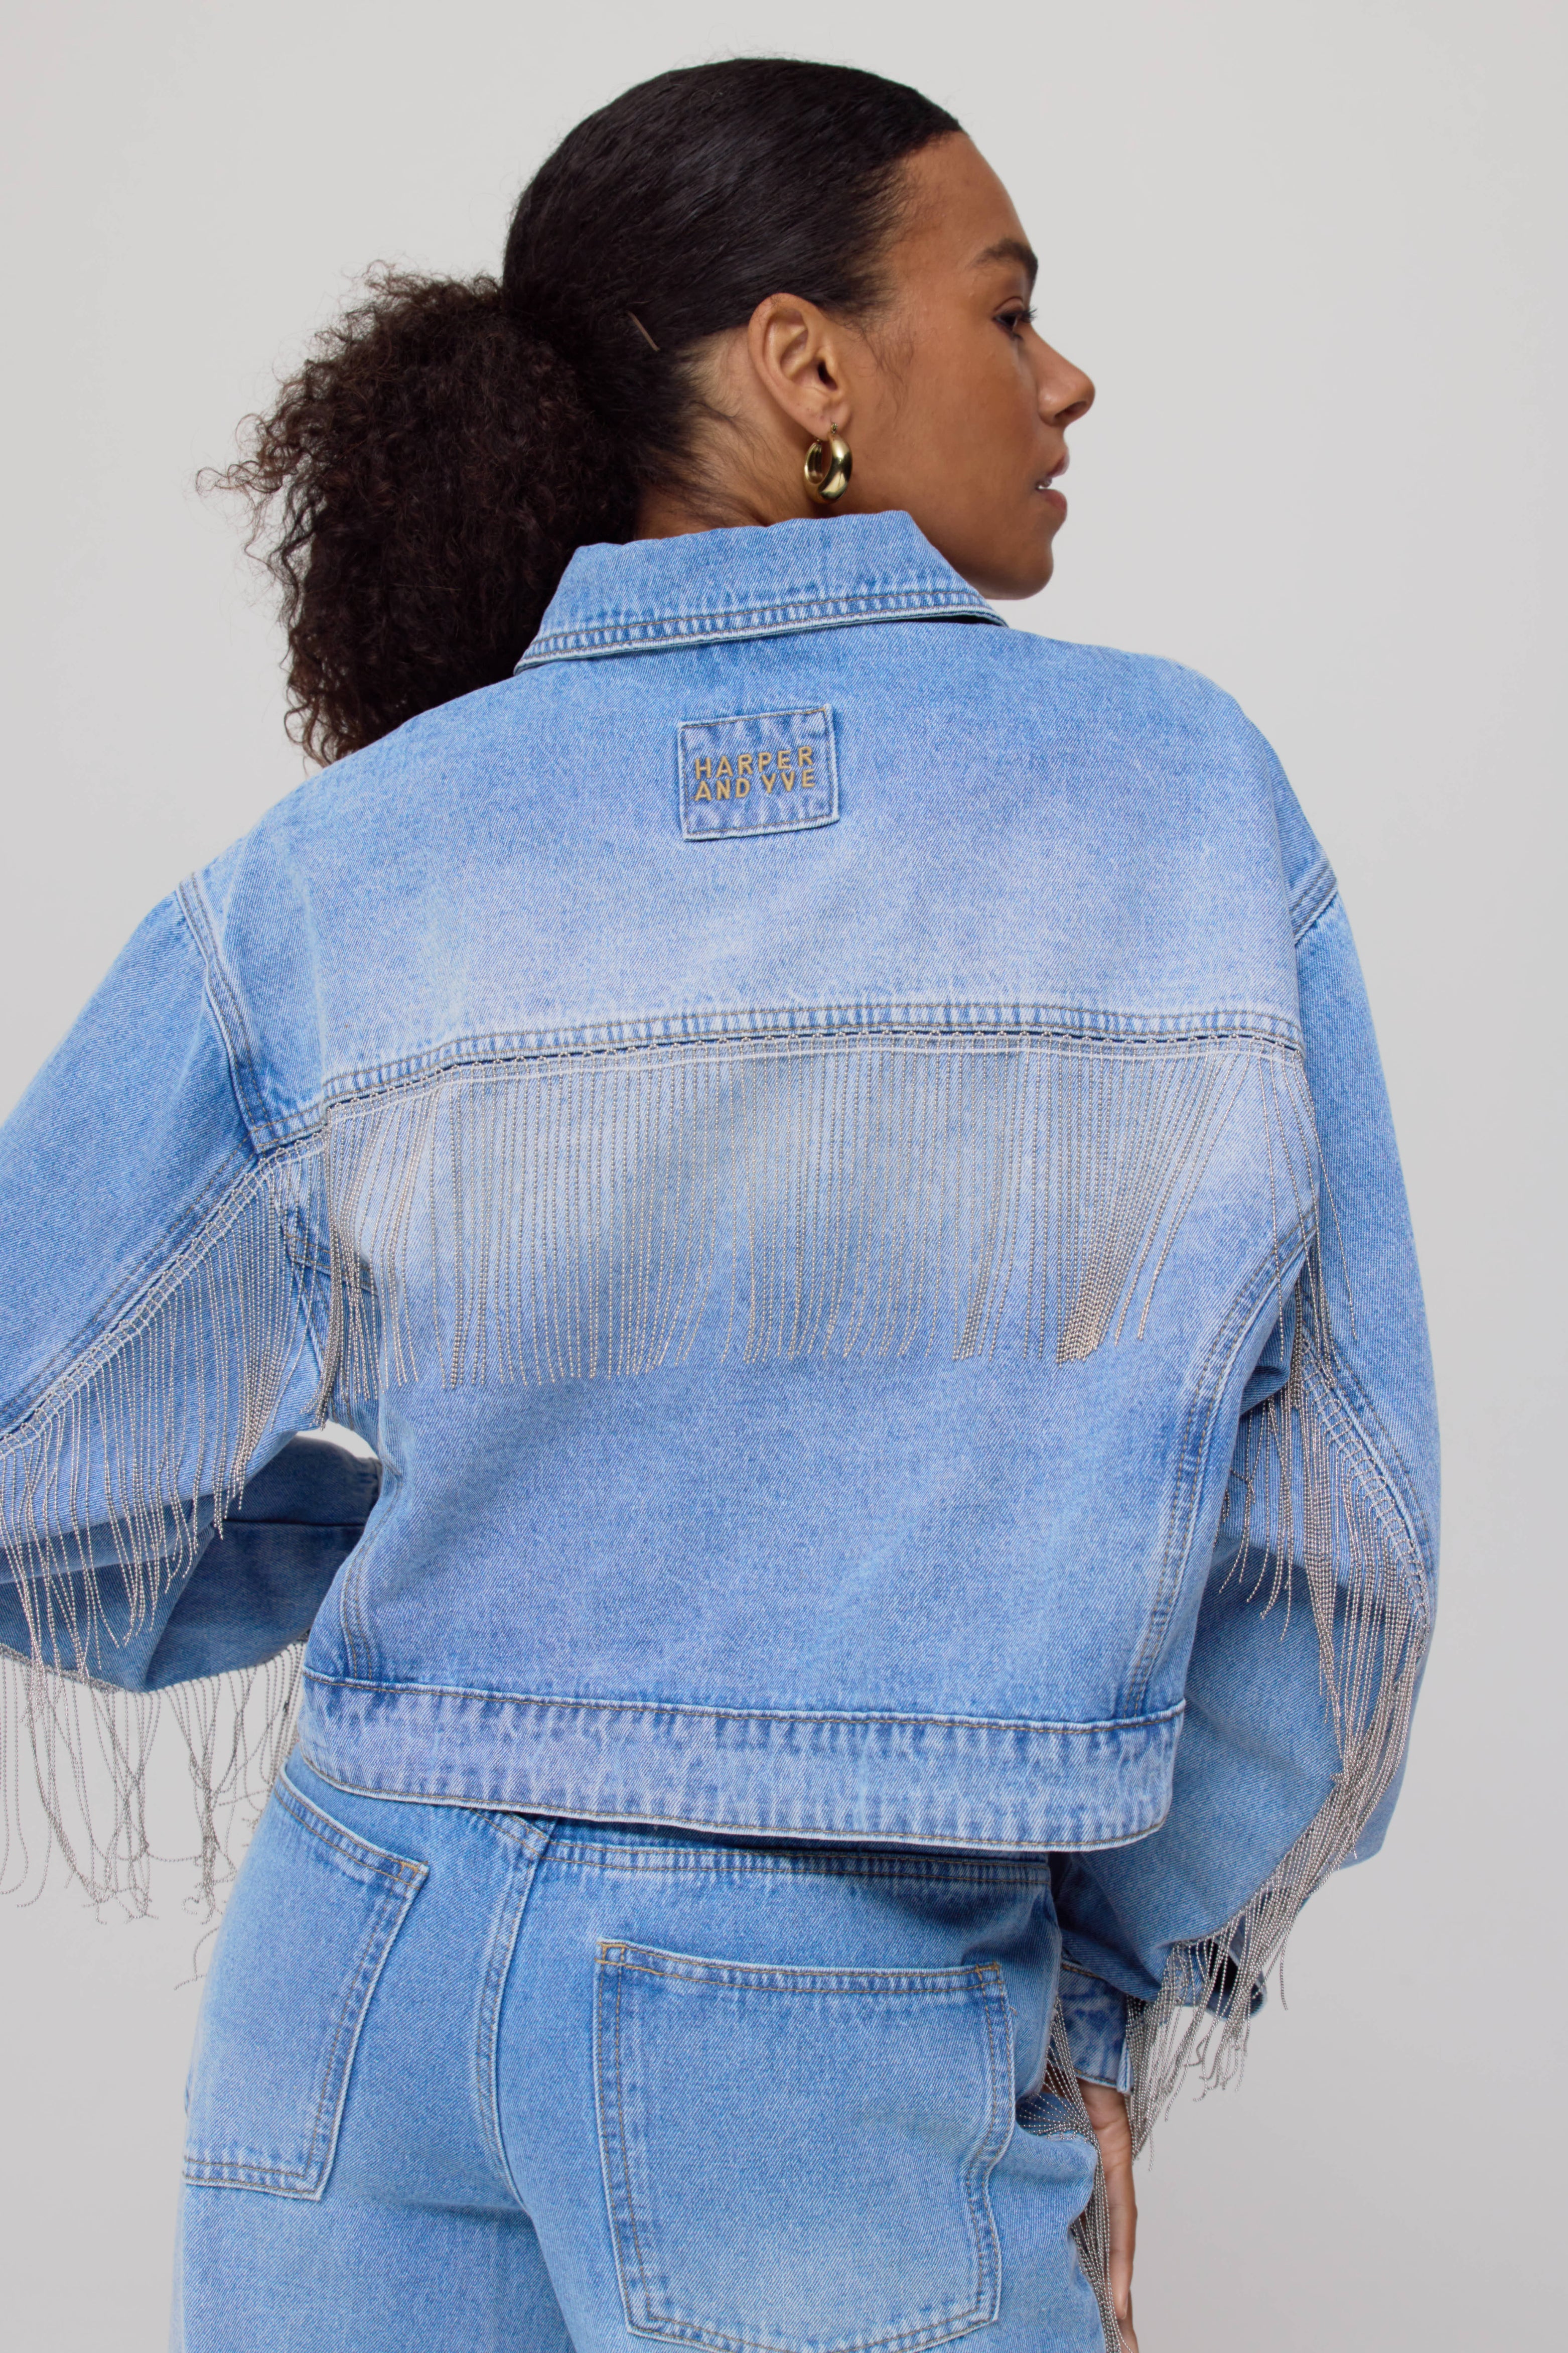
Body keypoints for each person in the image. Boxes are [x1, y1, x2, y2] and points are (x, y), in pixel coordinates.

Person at [0, 57, 1437, 2353]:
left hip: (351, 1966)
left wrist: (402, 1558)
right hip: (833, 1994)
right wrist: (1094, 1994)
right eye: (1004, 308)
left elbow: (26, 1458)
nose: (1062, 377)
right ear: (805, 368)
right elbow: (1330, 1532)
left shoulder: (360, 846)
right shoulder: (1165, 794)